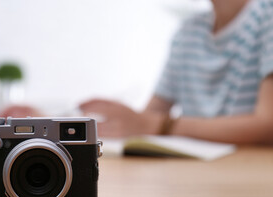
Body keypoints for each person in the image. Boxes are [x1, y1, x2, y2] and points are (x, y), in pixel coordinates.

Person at [80, 0, 273, 144]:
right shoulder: (189, 31)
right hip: (195, 175)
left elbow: (268, 126)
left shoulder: (267, 16)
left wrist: (158, 125)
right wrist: (118, 120)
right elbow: (151, 115)